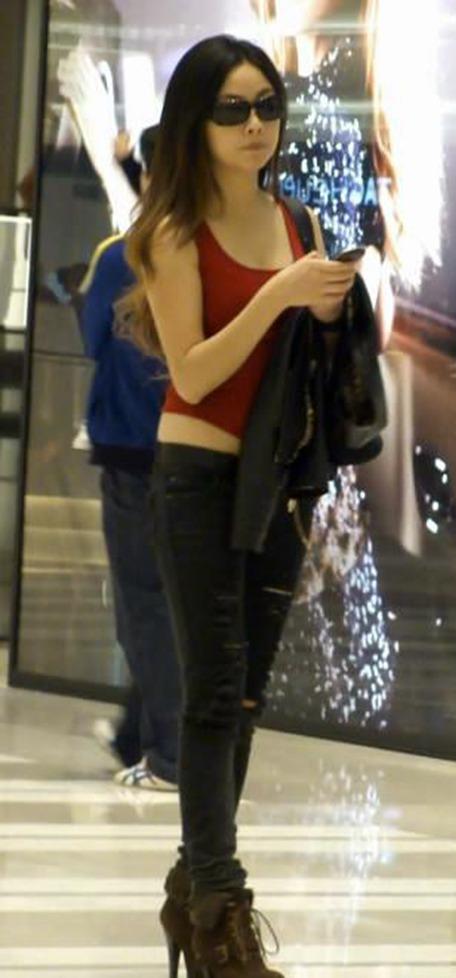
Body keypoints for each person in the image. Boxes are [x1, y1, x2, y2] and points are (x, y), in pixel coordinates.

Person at [122, 34, 359, 978]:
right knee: (214, 691)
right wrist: (279, 294)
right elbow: (193, 372)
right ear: (197, 120)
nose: (256, 124)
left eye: (267, 105)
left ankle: (193, 890)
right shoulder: (173, 229)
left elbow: (301, 358)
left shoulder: (296, 219)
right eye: (233, 108)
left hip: (279, 479)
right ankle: (220, 911)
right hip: (196, 478)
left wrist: (327, 308)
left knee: (246, 697)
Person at [81, 125, 180, 791]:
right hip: (197, 452)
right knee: (171, 604)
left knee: (141, 605)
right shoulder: (213, 248)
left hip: (131, 448)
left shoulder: (122, 256)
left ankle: (168, 753)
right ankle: (136, 735)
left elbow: (93, 340)